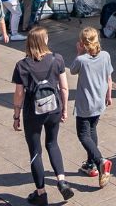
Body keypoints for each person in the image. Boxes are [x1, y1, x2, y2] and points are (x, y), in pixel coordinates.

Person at [12, 27, 73, 204]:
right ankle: (62, 181)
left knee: (35, 151)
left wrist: (16, 116)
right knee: (53, 144)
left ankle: (41, 193)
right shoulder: (57, 59)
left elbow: (18, 94)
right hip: (54, 108)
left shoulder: (22, 65)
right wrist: (65, 109)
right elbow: (64, 87)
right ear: (44, 41)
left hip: (33, 112)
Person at [69, 27, 114, 186]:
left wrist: (79, 52)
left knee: (83, 135)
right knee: (92, 130)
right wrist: (109, 96)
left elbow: (73, 71)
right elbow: (109, 78)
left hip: (85, 105)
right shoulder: (105, 55)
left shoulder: (81, 60)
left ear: (82, 43)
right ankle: (91, 165)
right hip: (99, 103)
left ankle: (100, 161)